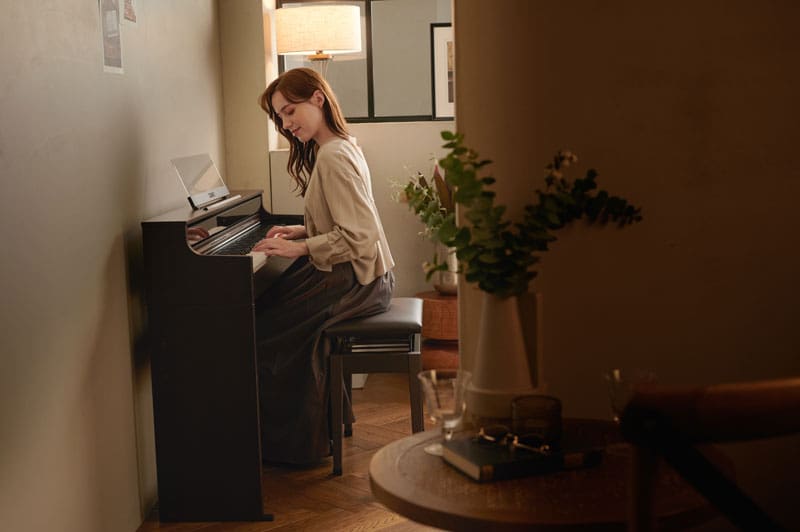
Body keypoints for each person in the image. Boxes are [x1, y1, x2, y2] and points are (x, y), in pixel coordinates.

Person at [252, 68, 395, 464]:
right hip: (362, 274)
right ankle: (312, 433)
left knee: (262, 329)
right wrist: (302, 232)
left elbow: (360, 236)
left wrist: (301, 250)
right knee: (273, 320)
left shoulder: (332, 157)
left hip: (357, 280)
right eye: (280, 117)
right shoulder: (341, 145)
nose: (286, 123)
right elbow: (348, 222)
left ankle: (294, 446)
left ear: (318, 98)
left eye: (290, 110)